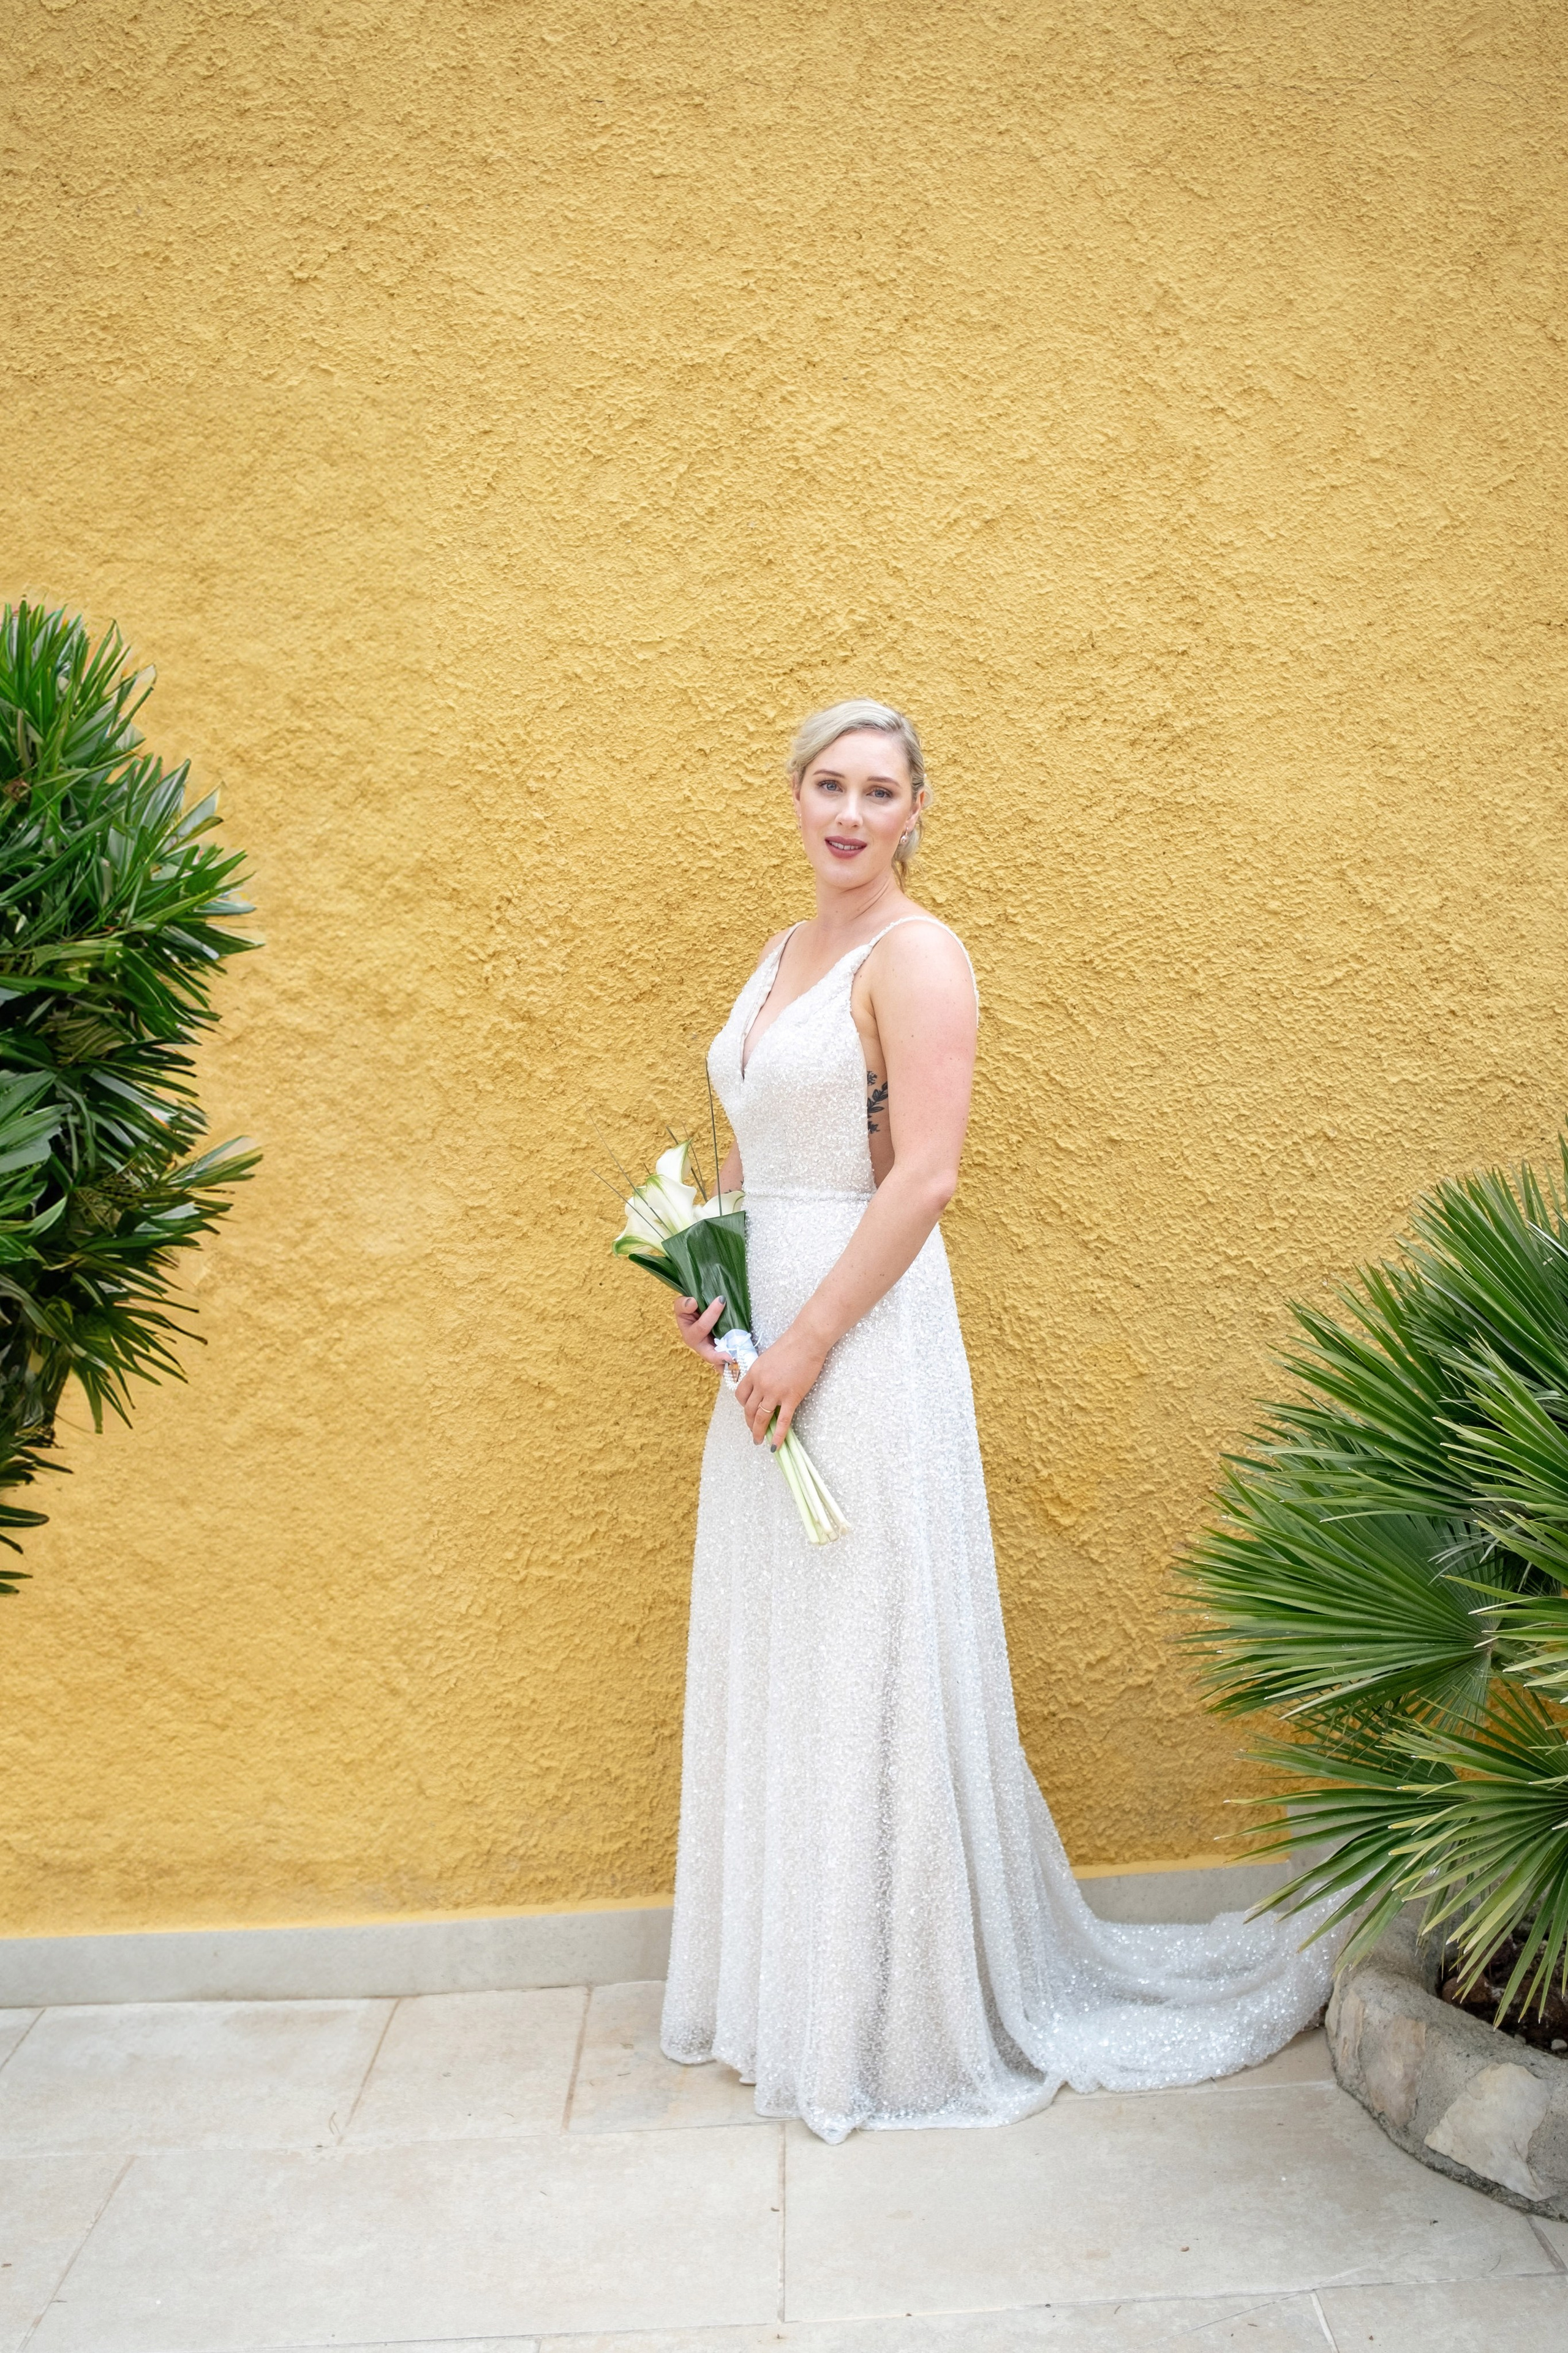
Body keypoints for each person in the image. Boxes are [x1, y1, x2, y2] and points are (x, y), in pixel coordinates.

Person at [659, 699, 1334, 2142]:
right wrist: (708, 1270)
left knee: (864, 1643)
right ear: (794, 797)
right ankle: (798, 1990)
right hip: (765, 1334)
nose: (848, 813)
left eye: (876, 790)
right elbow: (755, 1144)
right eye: (826, 785)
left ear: (915, 811)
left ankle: (893, 2020)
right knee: (792, 1640)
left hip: (857, 1336)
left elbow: (922, 1176)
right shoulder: (780, 953)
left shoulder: (919, 957)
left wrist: (809, 1342)